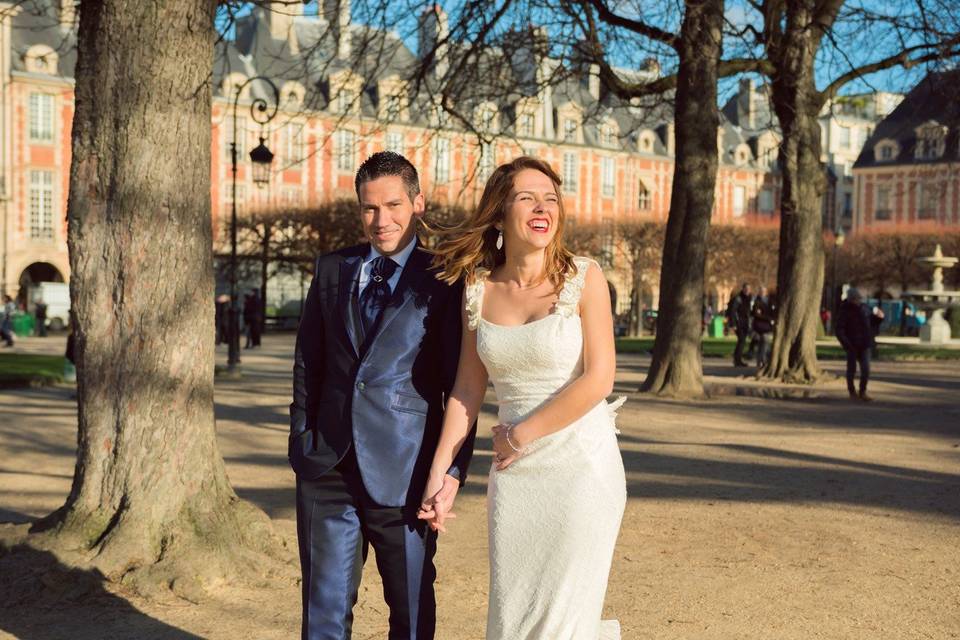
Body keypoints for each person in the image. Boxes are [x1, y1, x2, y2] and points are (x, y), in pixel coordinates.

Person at [421, 157, 626, 639]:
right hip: (514, 482)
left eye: (551, 197)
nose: (543, 207)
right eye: (527, 197)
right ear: (498, 213)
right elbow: (468, 390)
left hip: (582, 471)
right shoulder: (477, 288)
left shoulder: (585, 277)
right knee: (512, 619)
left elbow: (600, 379)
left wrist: (520, 434)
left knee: (563, 624)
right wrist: (440, 473)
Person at [289, 151, 474, 639]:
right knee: (322, 614)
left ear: (417, 203)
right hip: (326, 467)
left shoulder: (446, 279)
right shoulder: (333, 269)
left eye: (393, 205)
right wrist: (301, 443)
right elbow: (309, 362)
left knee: (411, 614)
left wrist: (452, 468)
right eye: (369, 208)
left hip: (407, 471)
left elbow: (462, 383)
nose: (381, 220)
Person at [835, 287, 882, 402]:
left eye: (859, 299)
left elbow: (872, 322)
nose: (858, 301)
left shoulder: (864, 308)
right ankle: (852, 392)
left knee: (866, 369)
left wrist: (879, 318)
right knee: (851, 370)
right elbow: (839, 330)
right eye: (856, 299)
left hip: (865, 343)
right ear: (851, 299)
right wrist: (846, 344)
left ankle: (862, 391)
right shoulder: (844, 311)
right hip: (852, 344)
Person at [727, 283, 752, 367]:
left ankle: (738, 359)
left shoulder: (748, 298)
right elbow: (733, 312)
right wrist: (733, 324)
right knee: (741, 340)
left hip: (745, 323)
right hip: (739, 323)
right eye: (746, 289)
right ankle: (737, 360)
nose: (748, 291)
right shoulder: (738, 298)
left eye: (749, 289)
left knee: (742, 341)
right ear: (743, 289)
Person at [751, 286, 774, 369]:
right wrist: (768, 318)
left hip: (767, 326)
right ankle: (761, 361)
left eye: (764, 291)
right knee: (762, 344)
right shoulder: (756, 301)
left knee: (766, 344)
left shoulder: (769, 301)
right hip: (760, 326)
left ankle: (763, 361)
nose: (762, 293)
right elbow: (756, 313)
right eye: (761, 291)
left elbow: (771, 312)